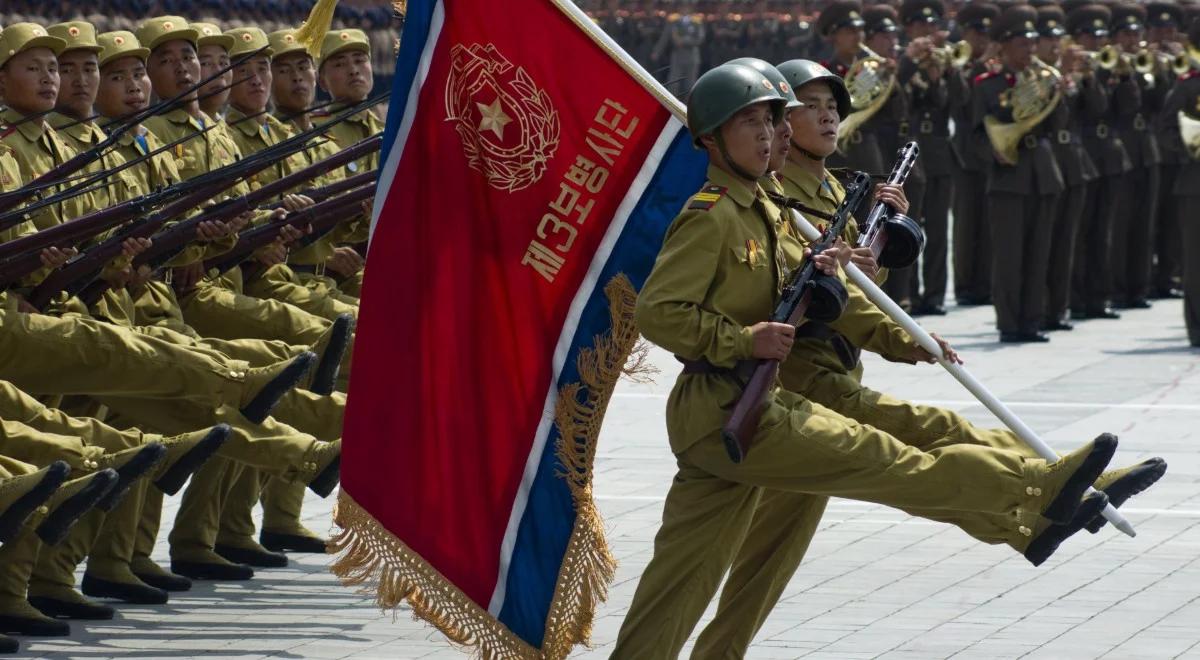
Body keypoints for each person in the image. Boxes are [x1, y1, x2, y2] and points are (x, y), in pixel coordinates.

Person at [610, 60, 1124, 658]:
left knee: (680, 583)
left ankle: (1043, 497)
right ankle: (1036, 487)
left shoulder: (766, 210)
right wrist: (744, 340)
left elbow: (807, 299)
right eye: (749, 121)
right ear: (711, 137)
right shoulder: (713, 215)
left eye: (772, 120)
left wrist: (856, 301)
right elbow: (658, 313)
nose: (767, 134)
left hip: (746, 411)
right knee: (896, 460)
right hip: (727, 404)